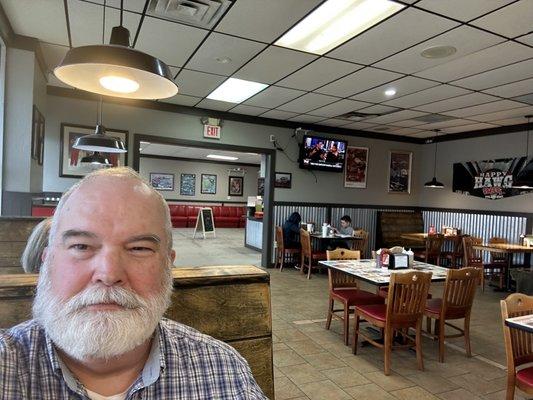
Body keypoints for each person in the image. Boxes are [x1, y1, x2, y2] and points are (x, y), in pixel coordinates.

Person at [0, 167, 266, 399]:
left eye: (139, 248)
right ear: (47, 261)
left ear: (168, 266)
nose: (108, 273)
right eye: (81, 246)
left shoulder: (224, 371)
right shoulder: (7, 366)